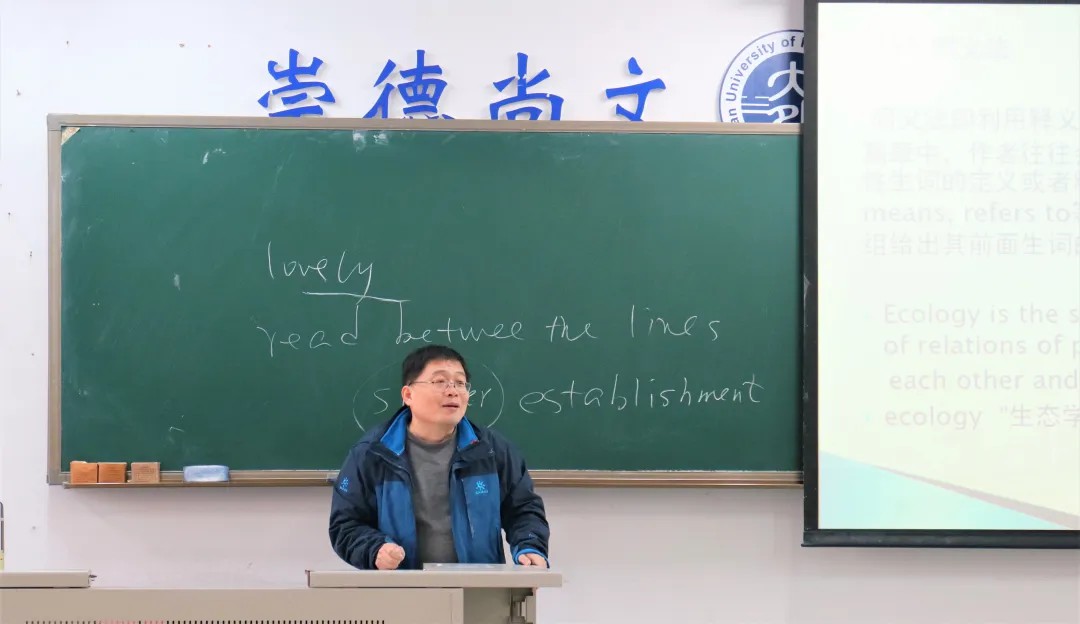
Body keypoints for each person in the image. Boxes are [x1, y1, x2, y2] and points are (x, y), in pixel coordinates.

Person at [328, 345, 550, 570]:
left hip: (479, 585)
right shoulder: (373, 454)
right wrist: (375, 549)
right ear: (408, 395)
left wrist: (530, 547)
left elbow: (523, 509)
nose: (453, 391)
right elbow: (346, 524)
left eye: (460, 383)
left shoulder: (491, 451)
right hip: (402, 586)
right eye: (440, 381)